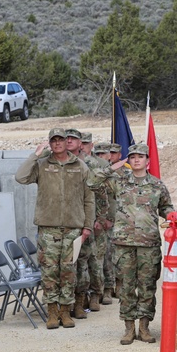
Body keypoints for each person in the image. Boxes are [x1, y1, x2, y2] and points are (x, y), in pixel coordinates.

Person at [14, 128, 97, 329]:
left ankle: (65, 312)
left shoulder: (80, 166)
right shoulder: (42, 165)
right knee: (50, 271)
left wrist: (87, 226)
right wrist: (35, 155)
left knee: (68, 271)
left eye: (61, 140)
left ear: (67, 142)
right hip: (48, 229)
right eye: (54, 141)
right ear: (49, 143)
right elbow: (21, 177)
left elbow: (89, 198)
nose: (58, 143)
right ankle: (51, 312)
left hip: (72, 228)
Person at [100, 142, 176, 345]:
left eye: (140, 157)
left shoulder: (157, 185)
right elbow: (92, 181)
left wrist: (171, 214)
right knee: (125, 286)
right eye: (132, 157)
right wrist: (111, 167)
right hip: (123, 244)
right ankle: (128, 327)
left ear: (148, 161)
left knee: (147, 287)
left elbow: (166, 206)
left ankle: (144, 326)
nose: (136, 160)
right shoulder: (119, 181)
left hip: (148, 244)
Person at [65, 129, 101, 318]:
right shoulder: (57, 160)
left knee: (83, 264)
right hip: (64, 222)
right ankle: (66, 304)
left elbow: (98, 194)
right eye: (66, 138)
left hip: (83, 221)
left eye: (73, 139)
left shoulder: (89, 164)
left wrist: (98, 219)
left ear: (81, 143)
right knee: (65, 266)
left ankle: (82, 301)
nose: (69, 141)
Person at [91, 142, 119, 305]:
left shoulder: (112, 175)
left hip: (107, 221)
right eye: (98, 154)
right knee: (95, 257)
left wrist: (110, 218)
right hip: (92, 219)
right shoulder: (94, 172)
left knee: (108, 255)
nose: (101, 157)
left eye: (104, 154)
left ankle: (108, 288)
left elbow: (114, 200)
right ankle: (96, 290)